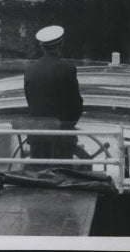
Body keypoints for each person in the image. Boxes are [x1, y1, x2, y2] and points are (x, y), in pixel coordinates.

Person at [23, 25, 83, 159]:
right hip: (62, 137)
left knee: (38, 174)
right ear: (60, 45)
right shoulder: (68, 69)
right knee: (62, 174)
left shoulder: (30, 69)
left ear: (42, 47)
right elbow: (76, 104)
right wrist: (67, 126)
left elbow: (30, 102)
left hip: (37, 137)